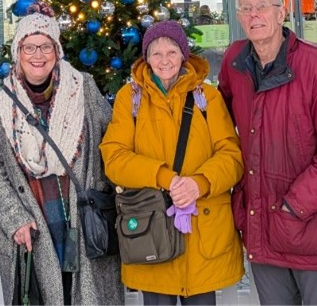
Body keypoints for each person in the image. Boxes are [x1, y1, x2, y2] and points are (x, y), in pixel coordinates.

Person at [218, 0, 317, 305]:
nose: (254, 15)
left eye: (262, 7)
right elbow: (219, 124)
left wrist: (292, 206)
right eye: (246, 9)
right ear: (240, 18)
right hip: (260, 224)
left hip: (309, 224)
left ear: (282, 12)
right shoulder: (235, 63)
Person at [0, 3, 123, 305]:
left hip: (82, 217)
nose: (37, 55)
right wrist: (14, 218)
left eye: (45, 46)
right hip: (32, 221)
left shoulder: (83, 88)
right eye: (29, 47)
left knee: (85, 295)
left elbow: (113, 138)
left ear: (57, 51)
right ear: (17, 52)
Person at [101, 20, 244, 305]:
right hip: (152, 235)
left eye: (171, 51)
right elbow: (114, 159)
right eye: (156, 53)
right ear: (146, 58)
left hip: (202, 241)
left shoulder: (208, 98)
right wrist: (166, 179)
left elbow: (232, 157)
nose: (164, 60)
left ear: (183, 55)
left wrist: (199, 184)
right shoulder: (129, 99)